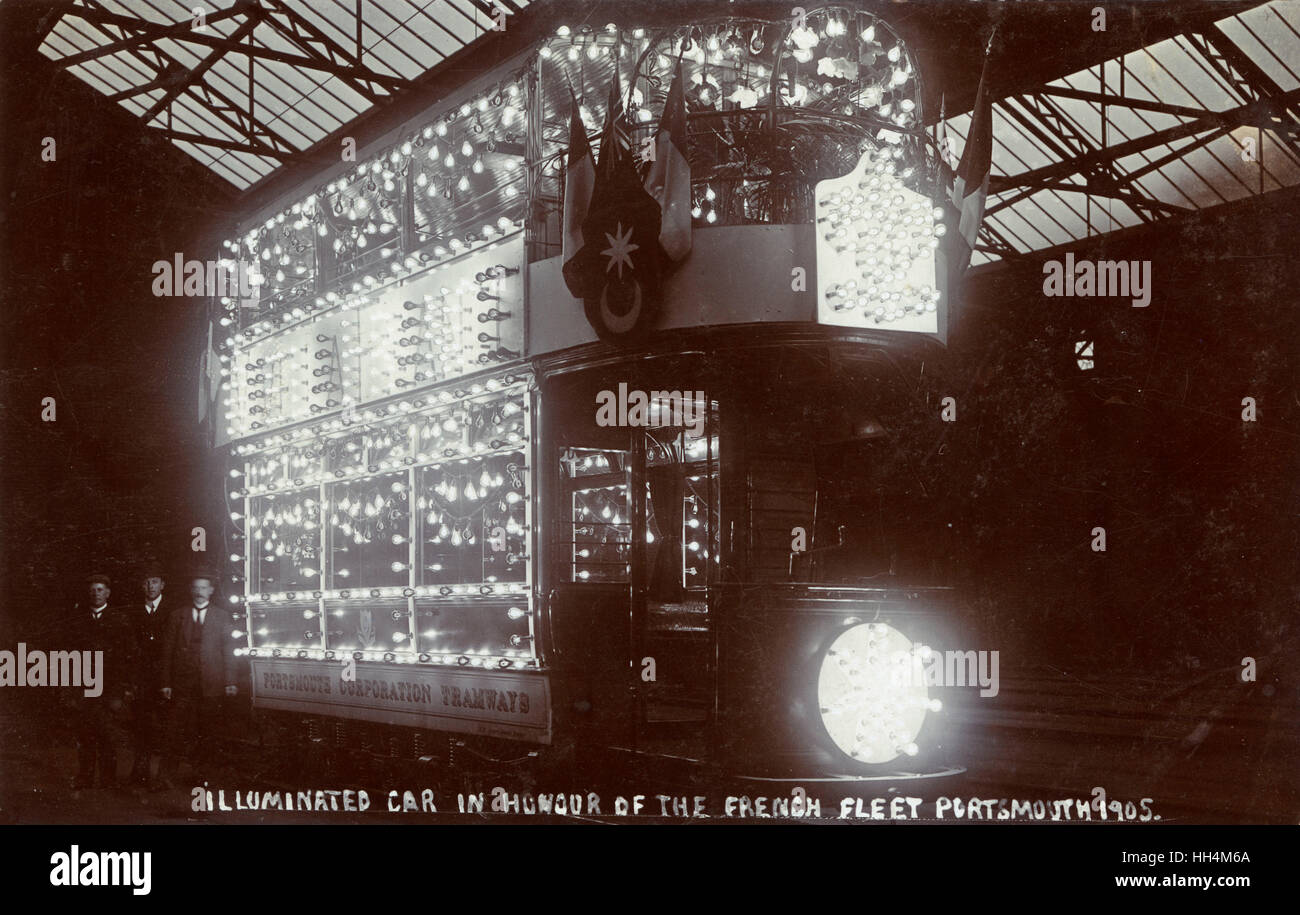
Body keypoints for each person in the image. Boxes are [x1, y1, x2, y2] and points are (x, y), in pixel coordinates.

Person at [157, 571, 237, 787]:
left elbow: (229, 650)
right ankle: (165, 778)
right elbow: (167, 651)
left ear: (211, 590)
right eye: (196, 587)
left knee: (208, 734)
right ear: (191, 590)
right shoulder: (177, 615)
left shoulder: (222, 616)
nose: (200, 591)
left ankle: (204, 778)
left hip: (211, 684)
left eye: (204, 587)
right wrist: (166, 682)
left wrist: (230, 681)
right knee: (174, 731)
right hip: (183, 684)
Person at [69, 573, 134, 790]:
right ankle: (85, 776)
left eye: (100, 590)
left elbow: (126, 659)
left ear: (108, 593)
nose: (96, 594)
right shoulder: (79, 620)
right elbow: (72, 656)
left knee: (107, 734)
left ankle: (108, 779)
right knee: (86, 734)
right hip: (85, 686)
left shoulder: (119, 620)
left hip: (109, 687)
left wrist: (119, 692)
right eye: (93, 590)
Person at [127, 566, 172, 786]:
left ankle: (162, 776)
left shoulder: (173, 610)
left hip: (166, 678)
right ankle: (140, 771)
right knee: (141, 724)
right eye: (146, 582)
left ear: (162, 585)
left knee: (164, 726)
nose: (150, 586)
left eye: (154, 581)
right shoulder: (134, 611)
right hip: (142, 679)